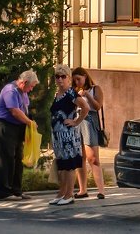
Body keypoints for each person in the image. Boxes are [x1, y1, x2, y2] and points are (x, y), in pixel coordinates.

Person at [48, 63, 89, 206]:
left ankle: (69, 194)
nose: (60, 79)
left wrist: (76, 121)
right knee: (62, 165)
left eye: (63, 77)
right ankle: (62, 192)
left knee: (70, 164)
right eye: (57, 77)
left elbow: (85, 107)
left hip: (68, 136)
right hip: (58, 136)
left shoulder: (71, 93)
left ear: (69, 78)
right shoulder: (57, 93)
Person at [0, 69, 39, 201]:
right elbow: (14, 111)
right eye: (31, 86)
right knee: (6, 159)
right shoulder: (10, 90)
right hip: (5, 127)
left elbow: (24, 110)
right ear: (24, 82)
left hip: (17, 128)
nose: (31, 90)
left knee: (18, 159)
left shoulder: (22, 92)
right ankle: (4, 192)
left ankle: (16, 190)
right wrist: (30, 122)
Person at [71, 67, 106, 200]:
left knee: (93, 157)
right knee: (79, 157)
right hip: (77, 120)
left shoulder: (95, 88)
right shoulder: (74, 90)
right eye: (74, 80)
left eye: (78, 79)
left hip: (90, 121)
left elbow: (97, 106)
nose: (77, 82)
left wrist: (87, 95)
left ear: (85, 76)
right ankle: (82, 190)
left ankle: (101, 190)